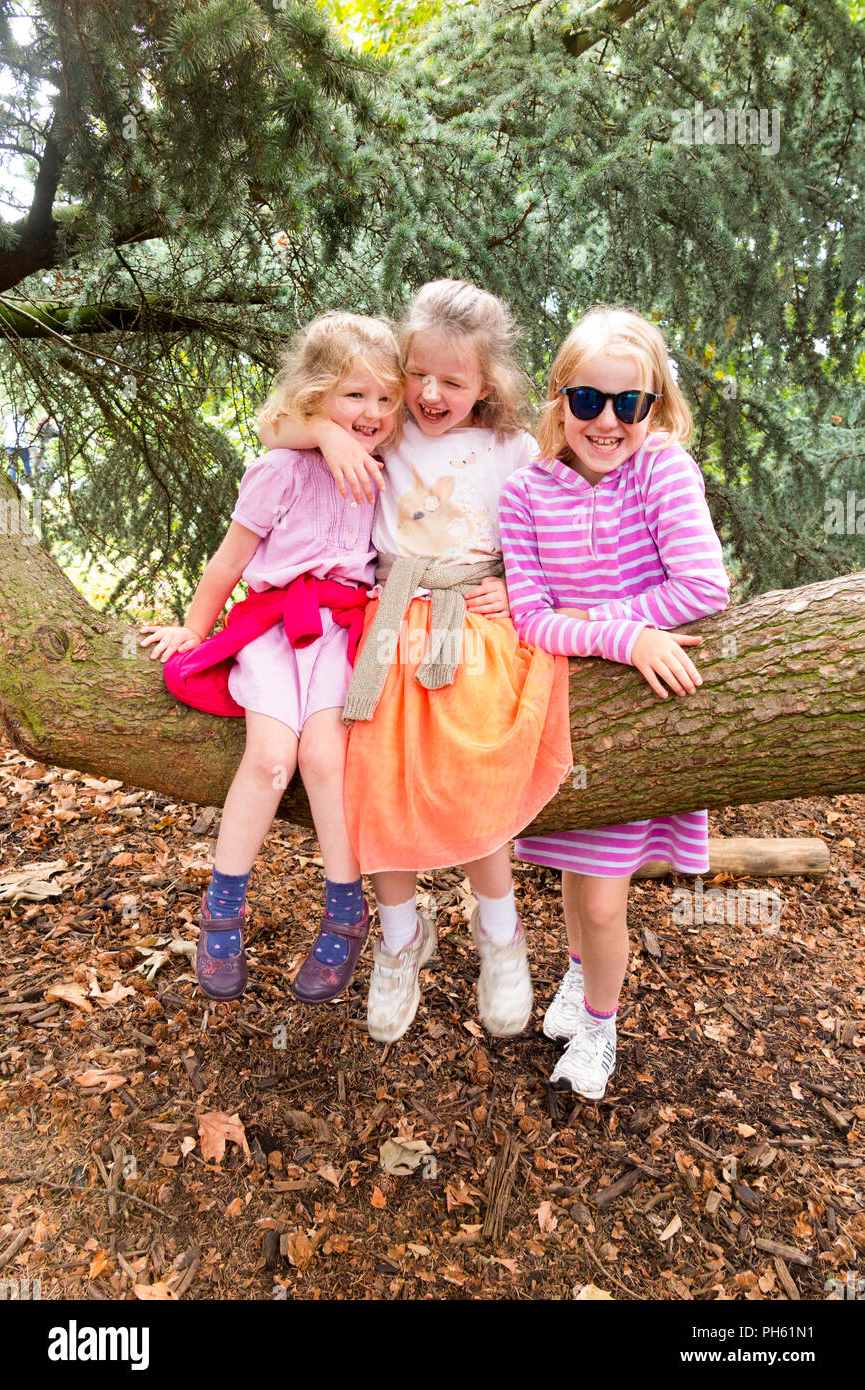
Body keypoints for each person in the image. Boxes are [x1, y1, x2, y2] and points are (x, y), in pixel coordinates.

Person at [258, 280, 573, 1043]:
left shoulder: (512, 449)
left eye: (452, 381)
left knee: (471, 764)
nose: (430, 393)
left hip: (472, 618)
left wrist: (512, 584)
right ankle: (400, 939)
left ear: (487, 384)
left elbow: (554, 534)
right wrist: (328, 436)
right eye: (418, 375)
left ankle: (499, 933)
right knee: (370, 772)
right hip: (390, 617)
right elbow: (279, 424)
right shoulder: (385, 431)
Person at [499, 305, 730, 1099]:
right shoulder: (523, 492)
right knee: (570, 871)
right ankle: (575, 981)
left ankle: (600, 1023)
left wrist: (602, 630)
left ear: (654, 408)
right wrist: (625, 636)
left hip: (634, 718)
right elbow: (530, 618)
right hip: (567, 714)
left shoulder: (662, 469)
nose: (605, 421)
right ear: (559, 399)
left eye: (627, 404)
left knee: (601, 902)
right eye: (587, 400)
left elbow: (703, 587)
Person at [139, 312, 402, 1003]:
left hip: (343, 631)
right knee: (268, 759)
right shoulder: (280, 467)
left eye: (384, 398)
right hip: (274, 630)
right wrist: (194, 629)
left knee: (324, 757)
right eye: (353, 396)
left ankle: (347, 911)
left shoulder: (390, 461)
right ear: (316, 395)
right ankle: (222, 908)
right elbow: (231, 557)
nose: (371, 413)